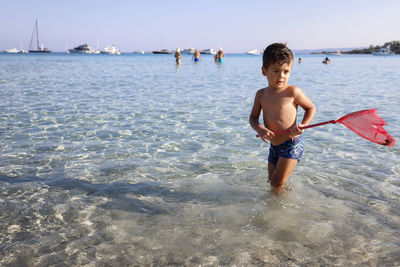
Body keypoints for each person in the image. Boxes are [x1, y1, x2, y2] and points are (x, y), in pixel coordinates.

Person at [249, 43, 316, 194]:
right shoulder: (261, 95)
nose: (281, 76)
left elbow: (311, 108)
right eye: (276, 71)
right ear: (264, 71)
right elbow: (253, 118)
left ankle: (277, 212)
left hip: (292, 144)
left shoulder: (293, 92)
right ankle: (284, 205)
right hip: (274, 146)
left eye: (286, 71)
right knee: (272, 182)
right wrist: (260, 129)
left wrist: (303, 126)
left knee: (276, 183)